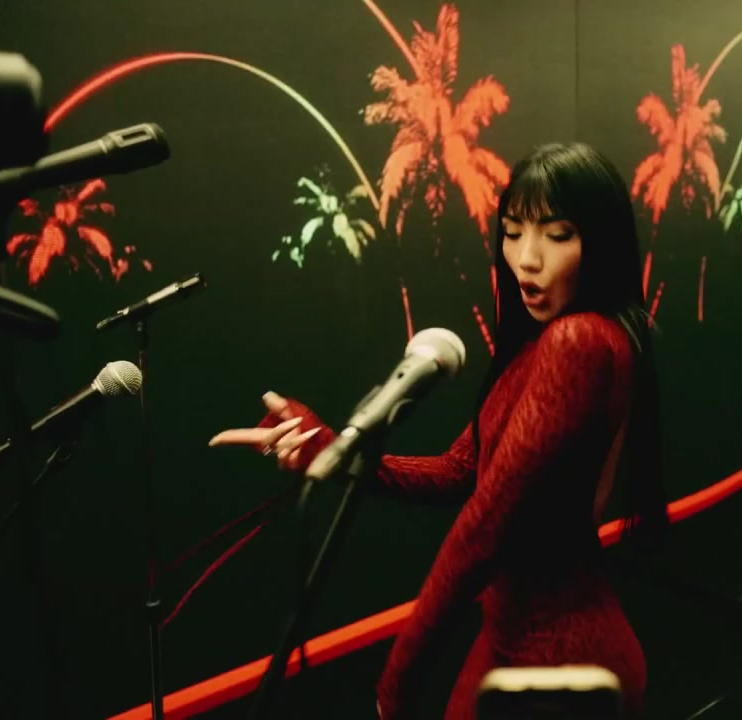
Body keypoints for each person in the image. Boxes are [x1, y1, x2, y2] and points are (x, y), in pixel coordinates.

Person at [209, 142, 667, 719]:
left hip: (561, 660)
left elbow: (483, 527)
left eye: (557, 235)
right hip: (509, 641)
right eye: (512, 232)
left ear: (599, 241)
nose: (526, 259)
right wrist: (327, 447)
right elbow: (458, 472)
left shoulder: (578, 341)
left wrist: (397, 681)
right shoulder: (546, 345)